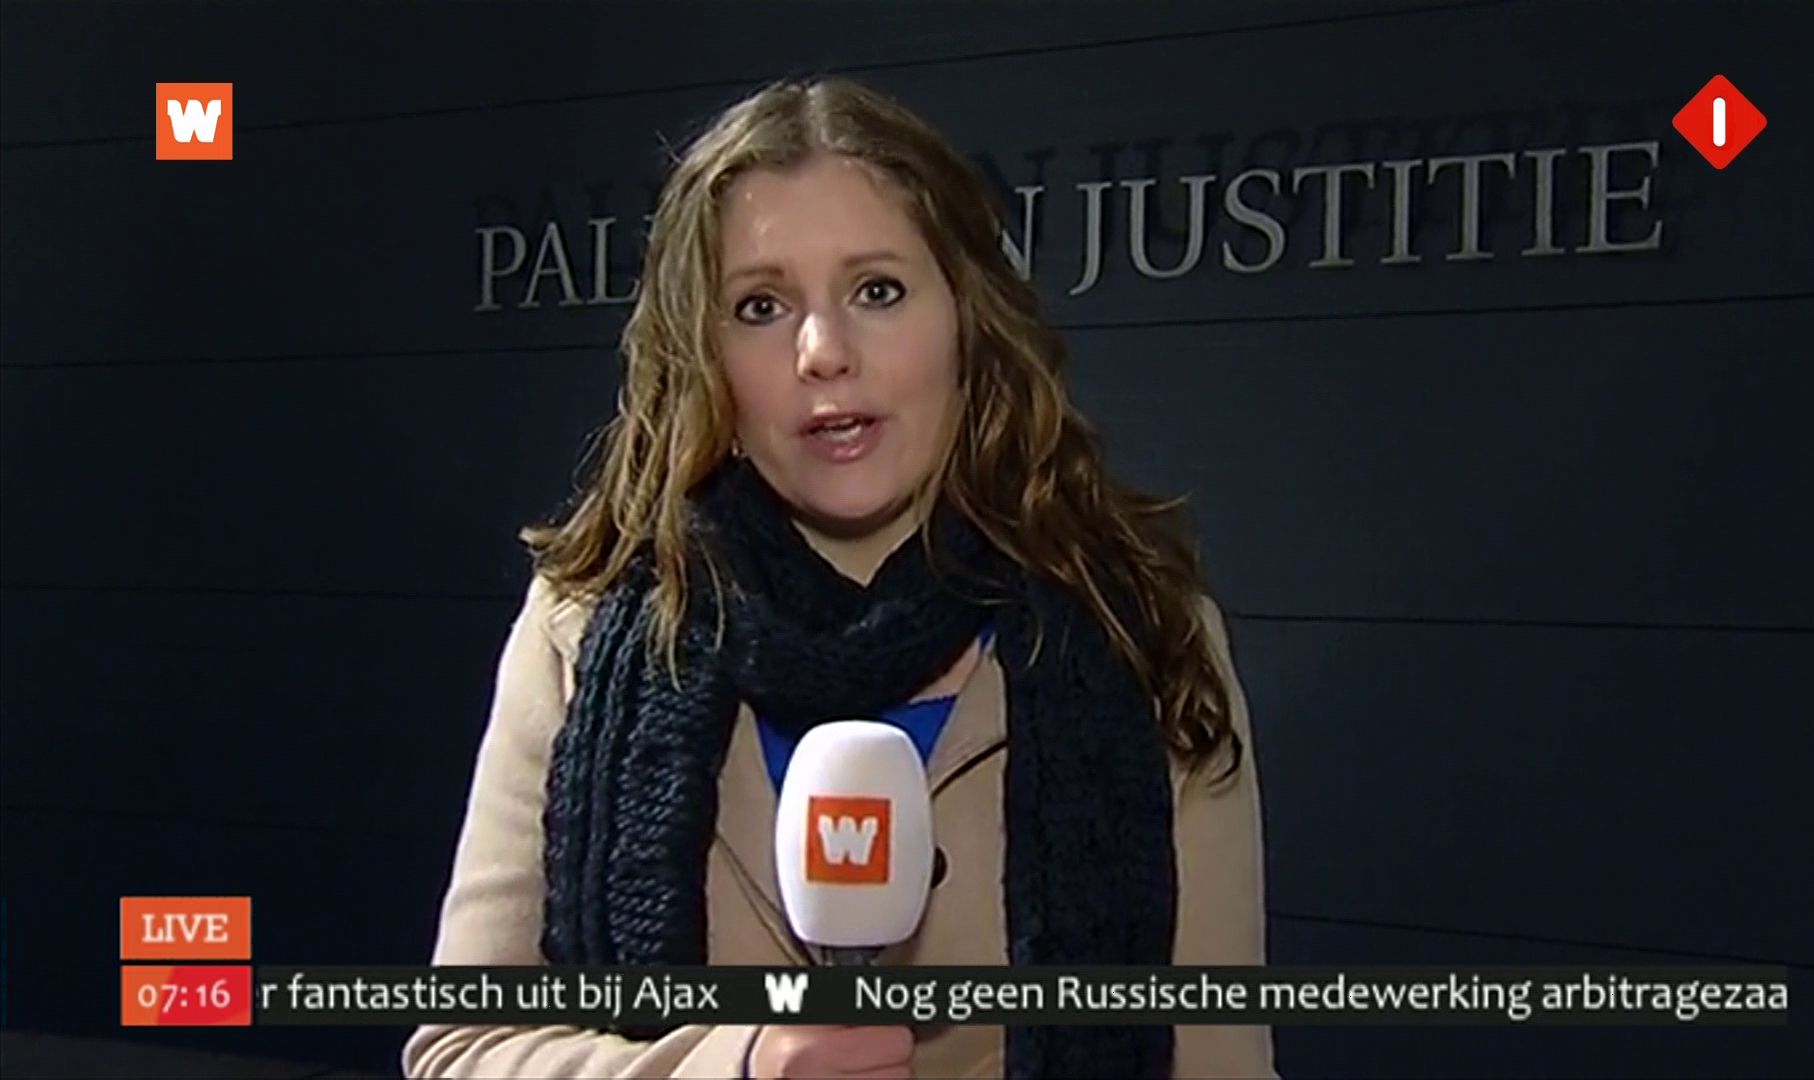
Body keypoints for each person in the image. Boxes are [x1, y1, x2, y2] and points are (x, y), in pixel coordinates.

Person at [402, 75, 1274, 1080]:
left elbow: (1220, 1062)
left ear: (969, 319)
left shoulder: (1143, 631)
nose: (823, 352)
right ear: (705, 356)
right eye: (761, 306)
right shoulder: (581, 628)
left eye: (877, 291)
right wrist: (737, 1068)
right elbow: (464, 1048)